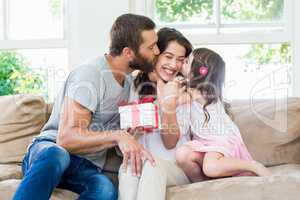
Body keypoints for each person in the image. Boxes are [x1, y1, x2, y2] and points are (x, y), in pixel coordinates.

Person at [13, 13, 160, 200]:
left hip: (85, 165)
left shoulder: (128, 83)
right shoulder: (90, 74)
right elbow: (66, 139)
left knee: (106, 190)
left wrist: (127, 135)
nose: (156, 51)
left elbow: (109, 137)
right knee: (58, 155)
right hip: (48, 152)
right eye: (151, 47)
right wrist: (118, 136)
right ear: (128, 52)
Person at [175, 48, 272, 183]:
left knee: (210, 167)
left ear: (197, 71)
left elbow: (174, 101)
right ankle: (204, 185)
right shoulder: (191, 88)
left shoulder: (200, 91)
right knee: (181, 154)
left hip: (221, 138)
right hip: (204, 141)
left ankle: (252, 165)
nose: (182, 63)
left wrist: (166, 93)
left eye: (187, 61)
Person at [118, 27, 193, 200]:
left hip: (175, 169)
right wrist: (129, 133)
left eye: (180, 60)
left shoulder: (182, 89)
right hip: (142, 162)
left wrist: (168, 103)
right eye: (168, 57)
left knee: (153, 165)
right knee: (129, 167)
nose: (174, 65)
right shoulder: (135, 84)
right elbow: (129, 138)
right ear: (155, 53)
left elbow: (170, 141)